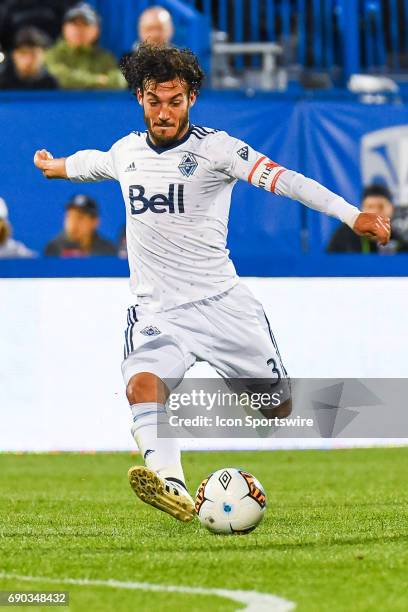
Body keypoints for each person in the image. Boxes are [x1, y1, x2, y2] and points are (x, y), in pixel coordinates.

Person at [33, 44, 390, 524]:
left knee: (276, 410)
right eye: (154, 101)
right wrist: (52, 165)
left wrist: (352, 214)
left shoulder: (216, 150)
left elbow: (287, 181)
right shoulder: (126, 153)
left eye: (174, 101)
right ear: (139, 96)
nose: (164, 112)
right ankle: (173, 487)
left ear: (192, 98)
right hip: (157, 312)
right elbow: (88, 162)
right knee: (141, 385)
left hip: (224, 307)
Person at [45, 2, 126, 90]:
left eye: (85, 24)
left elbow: (120, 81)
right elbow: (60, 79)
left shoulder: (105, 57)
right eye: (74, 24)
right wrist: (100, 80)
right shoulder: (51, 54)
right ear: (64, 28)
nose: (79, 29)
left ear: (97, 30)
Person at [327, 184, 408, 253]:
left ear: (392, 209)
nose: (375, 211)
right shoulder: (344, 235)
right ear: (362, 209)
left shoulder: (401, 238)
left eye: (381, 206)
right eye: (370, 206)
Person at [44, 194, 117, 257]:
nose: (73, 223)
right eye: (69, 216)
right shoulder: (55, 248)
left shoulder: (107, 251)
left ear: (95, 222)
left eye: (79, 218)